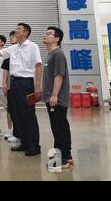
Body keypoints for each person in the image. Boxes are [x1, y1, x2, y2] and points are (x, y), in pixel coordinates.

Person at [0, 23, 42, 156]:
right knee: (17, 114)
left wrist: (38, 85)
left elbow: (38, 65)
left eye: (19, 29)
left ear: (26, 32)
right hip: (15, 83)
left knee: (28, 114)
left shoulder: (33, 46)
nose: (16, 31)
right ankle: (23, 141)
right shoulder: (13, 48)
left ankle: (34, 145)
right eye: (16, 28)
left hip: (27, 83)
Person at [43, 27, 74, 170]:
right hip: (51, 98)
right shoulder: (50, 55)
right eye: (46, 32)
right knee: (56, 127)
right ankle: (60, 154)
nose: (45, 35)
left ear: (57, 38)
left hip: (57, 99)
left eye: (49, 33)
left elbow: (59, 75)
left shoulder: (58, 54)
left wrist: (54, 95)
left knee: (60, 128)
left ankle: (66, 158)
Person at [1, 31, 21, 143]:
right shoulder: (9, 53)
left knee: (19, 110)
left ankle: (18, 132)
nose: (11, 38)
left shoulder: (23, 50)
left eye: (13, 36)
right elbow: (5, 70)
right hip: (10, 85)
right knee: (10, 110)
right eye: (11, 37)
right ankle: (10, 130)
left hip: (21, 84)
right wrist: (4, 83)